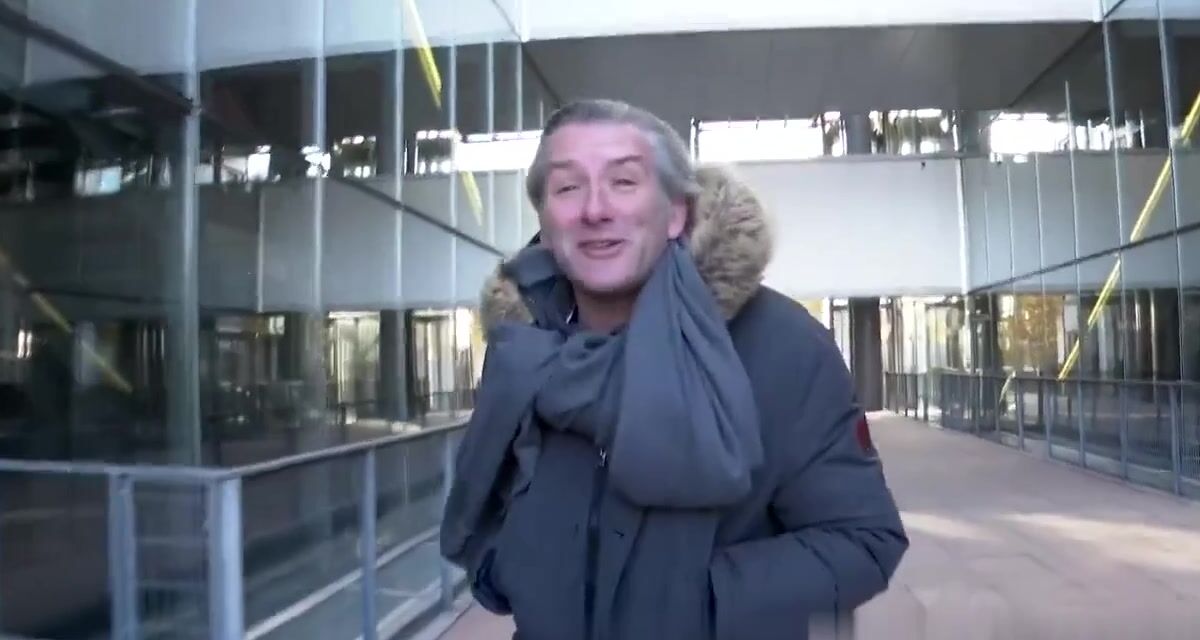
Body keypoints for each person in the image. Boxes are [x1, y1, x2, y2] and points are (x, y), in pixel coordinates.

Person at [441, 98, 907, 640]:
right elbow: (487, 505)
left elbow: (863, 541)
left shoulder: (783, 346)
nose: (595, 210)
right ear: (545, 221)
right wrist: (515, 572)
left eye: (624, 182)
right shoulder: (524, 349)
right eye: (567, 188)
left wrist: (688, 602)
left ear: (677, 213)